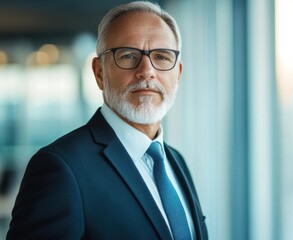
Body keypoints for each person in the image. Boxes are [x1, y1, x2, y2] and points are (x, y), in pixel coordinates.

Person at [6, 1, 208, 239]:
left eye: (162, 57)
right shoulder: (61, 168)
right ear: (99, 72)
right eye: (129, 55)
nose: (147, 70)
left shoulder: (176, 161)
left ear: (178, 74)